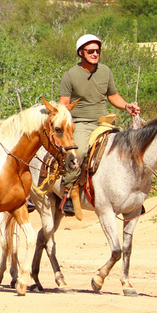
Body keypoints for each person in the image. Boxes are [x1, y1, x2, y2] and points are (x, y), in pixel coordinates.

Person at [58, 34, 140, 215]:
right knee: (77, 153)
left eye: (97, 51)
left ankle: (133, 196)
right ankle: (68, 193)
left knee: (128, 147)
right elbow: (63, 104)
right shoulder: (70, 74)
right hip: (81, 123)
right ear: (81, 53)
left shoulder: (105, 71)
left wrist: (127, 106)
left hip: (104, 122)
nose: (95, 54)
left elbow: (113, 96)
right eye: (91, 51)